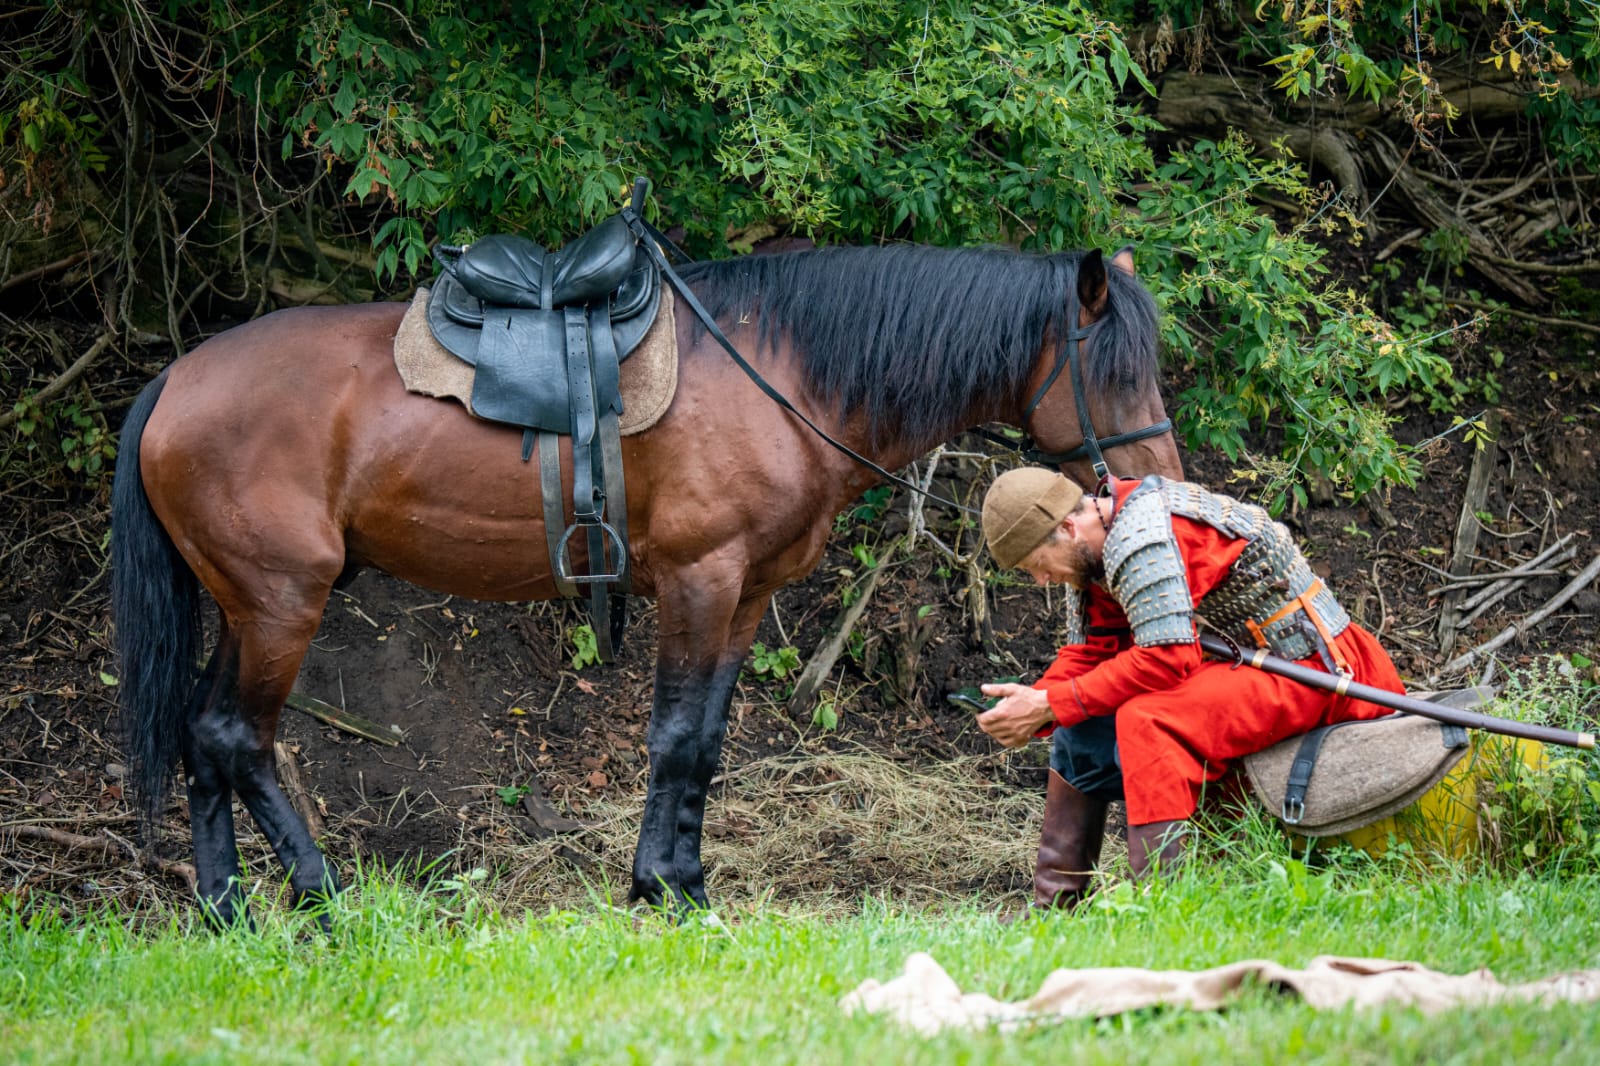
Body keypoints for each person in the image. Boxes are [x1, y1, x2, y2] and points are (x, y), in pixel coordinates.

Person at [975, 468, 1404, 909]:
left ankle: (1165, 907)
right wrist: (1037, 705)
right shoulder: (1091, 552)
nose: (1041, 581)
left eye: (1037, 566)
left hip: (1308, 667)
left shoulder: (1144, 536)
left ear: (1067, 528)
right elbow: (1096, 651)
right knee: (1075, 725)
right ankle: (1056, 909)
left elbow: (1167, 658)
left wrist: (1052, 702)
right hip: (1242, 667)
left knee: (1146, 720)